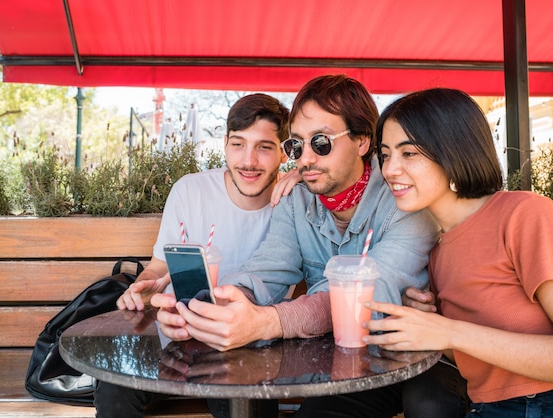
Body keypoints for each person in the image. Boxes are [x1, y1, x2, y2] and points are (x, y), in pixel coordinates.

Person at [153, 74, 467, 417]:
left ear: (362, 141)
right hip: (339, 369)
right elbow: (264, 272)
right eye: (296, 145)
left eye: (320, 142)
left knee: (430, 404)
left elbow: (365, 295)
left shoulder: (404, 198)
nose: (304, 159)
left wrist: (269, 321)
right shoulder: (295, 201)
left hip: (409, 361)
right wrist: (205, 309)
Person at [94, 93, 290, 418]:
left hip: (246, 347)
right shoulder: (190, 190)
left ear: (284, 152)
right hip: (178, 337)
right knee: (114, 386)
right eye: (238, 144)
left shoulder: (293, 203)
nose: (248, 160)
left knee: (247, 408)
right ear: (225, 143)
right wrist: (147, 286)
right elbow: (158, 268)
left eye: (265, 147)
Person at [366, 87, 553, 417]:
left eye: (408, 154)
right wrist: (431, 326)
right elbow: (474, 357)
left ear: (454, 149)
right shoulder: (438, 250)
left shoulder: (525, 215)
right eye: (385, 154)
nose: (390, 169)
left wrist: (448, 331)